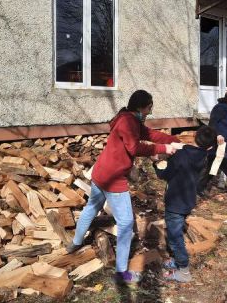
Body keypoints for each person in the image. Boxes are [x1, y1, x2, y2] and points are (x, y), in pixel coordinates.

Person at [66, 90, 179, 284]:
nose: (150, 112)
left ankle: (75, 243)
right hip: (112, 178)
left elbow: (150, 134)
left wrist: (173, 141)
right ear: (141, 106)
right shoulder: (128, 122)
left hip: (101, 172)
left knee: (92, 208)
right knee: (126, 223)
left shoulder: (130, 119)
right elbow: (134, 147)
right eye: (149, 108)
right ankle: (121, 273)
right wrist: (164, 149)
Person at [154, 126, 227, 283]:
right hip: (188, 201)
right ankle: (177, 261)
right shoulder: (204, 157)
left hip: (175, 203)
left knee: (175, 238)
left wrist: (156, 163)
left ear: (194, 137)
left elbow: (163, 174)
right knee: (177, 232)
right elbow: (195, 150)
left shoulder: (180, 156)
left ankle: (183, 271)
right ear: (211, 146)